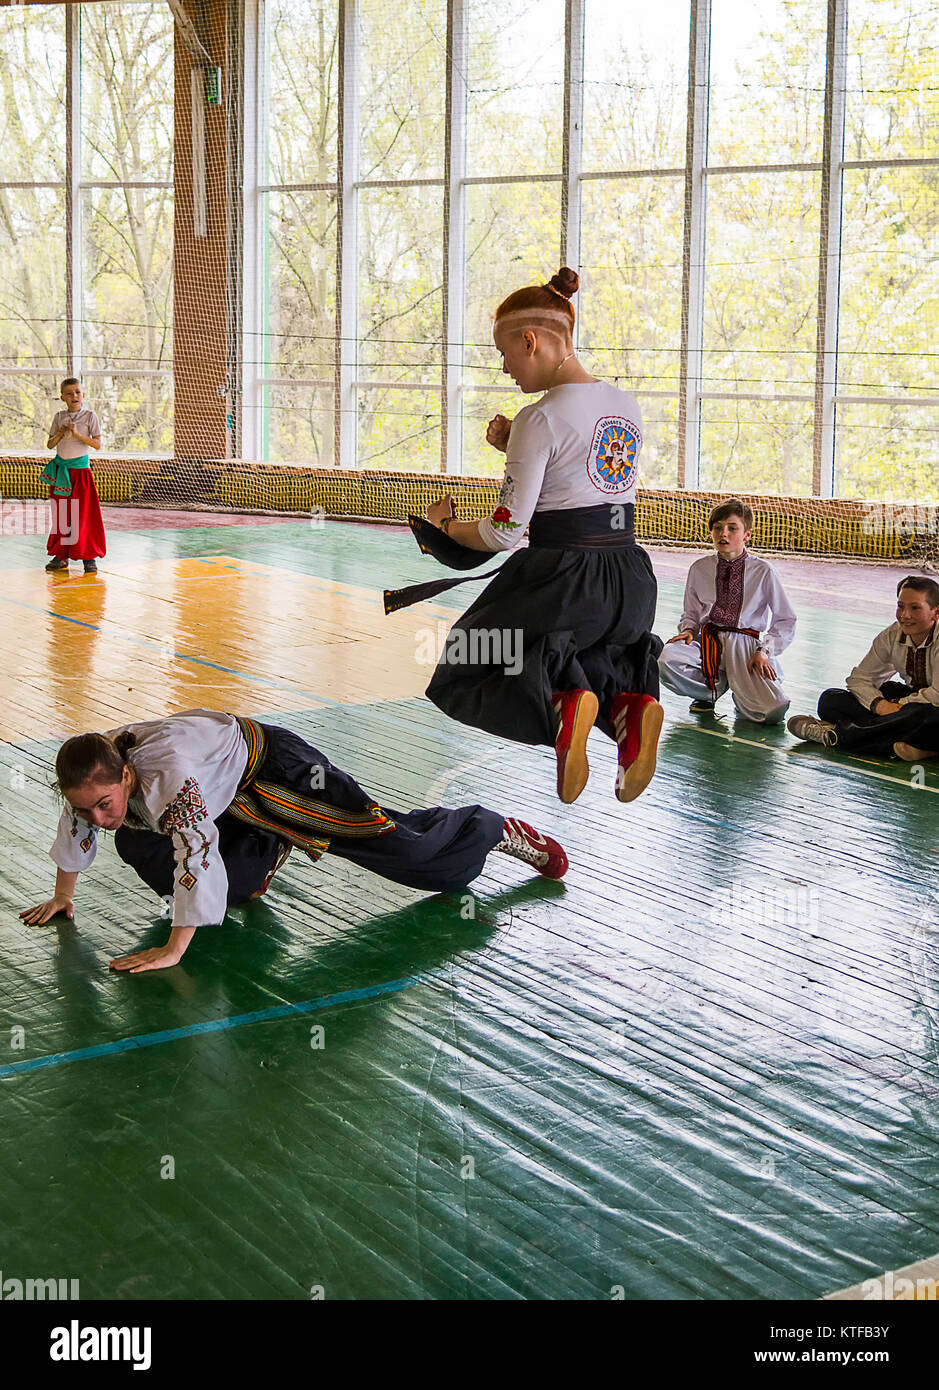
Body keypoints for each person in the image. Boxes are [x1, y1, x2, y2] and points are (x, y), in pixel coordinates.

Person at [19, 709, 569, 974]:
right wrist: (64, 895)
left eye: (105, 804)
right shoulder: (98, 775)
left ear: (127, 778)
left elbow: (193, 854)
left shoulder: (169, 780)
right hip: (226, 795)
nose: (97, 814)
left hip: (277, 770)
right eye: (86, 805)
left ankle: (491, 828)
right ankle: (262, 853)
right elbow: (77, 825)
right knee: (136, 843)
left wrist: (174, 948)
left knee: (391, 845)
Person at [421, 266, 663, 806]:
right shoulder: (625, 404)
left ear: (531, 341)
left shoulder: (540, 418)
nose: (503, 367)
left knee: (464, 662)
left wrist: (444, 528)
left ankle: (561, 708)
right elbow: (580, 476)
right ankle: (627, 710)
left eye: (505, 353)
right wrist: (516, 445)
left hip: (562, 579)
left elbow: (505, 531)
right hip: (627, 579)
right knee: (590, 654)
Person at [658, 499, 795, 723]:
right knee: (667, 659)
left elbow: (786, 620)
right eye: (718, 527)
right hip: (708, 643)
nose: (724, 533)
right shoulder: (699, 568)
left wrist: (764, 651)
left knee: (774, 709)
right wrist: (689, 630)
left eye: (732, 528)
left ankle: (743, 694)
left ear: (747, 535)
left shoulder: (763, 571)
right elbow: (691, 612)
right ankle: (708, 693)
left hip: (746, 648)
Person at [787, 575, 939, 759]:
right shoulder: (893, 635)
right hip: (907, 712)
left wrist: (898, 705)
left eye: (915, 608)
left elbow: (936, 696)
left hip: (930, 711)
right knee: (831, 700)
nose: (905, 615)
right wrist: (880, 705)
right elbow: (859, 680)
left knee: (926, 716)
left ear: (936, 613)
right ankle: (910, 746)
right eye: (900, 607)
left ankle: (838, 736)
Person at [42, 377, 106, 574]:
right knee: (62, 515)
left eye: (77, 392)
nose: (74, 396)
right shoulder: (59, 417)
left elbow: (97, 444)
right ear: (63, 398)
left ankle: (88, 556)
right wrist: (61, 433)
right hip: (62, 472)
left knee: (83, 515)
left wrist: (77, 434)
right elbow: (50, 444)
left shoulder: (89, 416)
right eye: (69, 393)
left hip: (81, 473)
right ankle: (61, 555)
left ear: (83, 395)